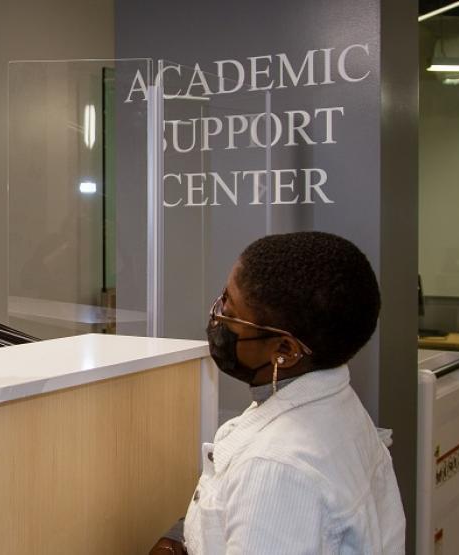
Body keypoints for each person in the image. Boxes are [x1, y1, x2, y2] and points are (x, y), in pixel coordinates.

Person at [150, 231, 405, 554]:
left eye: (231, 310)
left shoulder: (276, 470)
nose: (218, 316)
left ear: (285, 349)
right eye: (223, 298)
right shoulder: (334, 407)